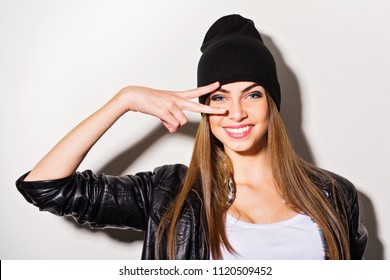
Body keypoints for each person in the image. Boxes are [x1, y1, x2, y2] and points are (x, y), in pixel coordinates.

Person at [16, 14, 367, 260]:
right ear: (205, 109)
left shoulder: (334, 195)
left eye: (252, 94)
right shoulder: (170, 195)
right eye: (219, 97)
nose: (236, 112)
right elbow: (46, 186)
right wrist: (124, 100)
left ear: (271, 103)